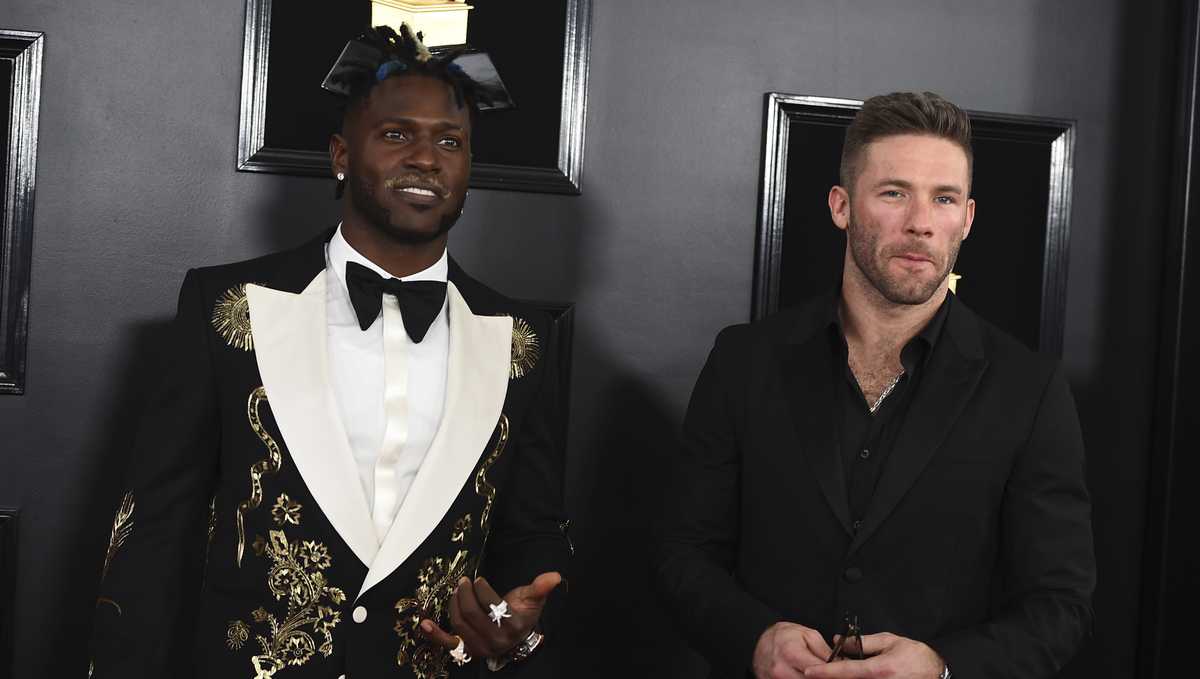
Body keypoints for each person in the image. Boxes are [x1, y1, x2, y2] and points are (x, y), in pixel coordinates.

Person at [90, 24, 570, 678]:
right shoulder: (229, 309)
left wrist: (513, 626)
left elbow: (529, 534)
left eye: (450, 141)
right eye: (397, 134)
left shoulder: (522, 339)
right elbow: (152, 540)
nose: (427, 157)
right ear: (342, 156)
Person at [652, 91, 1095, 679]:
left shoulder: (1029, 390)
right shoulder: (744, 361)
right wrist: (755, 641)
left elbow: (1058, 604)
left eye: (944, 198)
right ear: (841, 206)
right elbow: (683, 555)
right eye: (894, 193)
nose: (920, 223)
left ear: (966, 217)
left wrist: (943, 668)